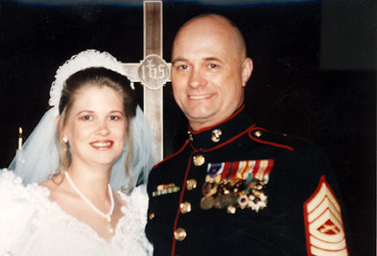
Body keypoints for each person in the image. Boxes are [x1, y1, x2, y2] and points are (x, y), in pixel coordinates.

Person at [145, 14, 352, 256]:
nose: (195, 81)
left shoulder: (296, 162)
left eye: (212, 65)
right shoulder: (163, 175)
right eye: (183, 66)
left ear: (245, 72)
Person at [0, 50, 155, 255]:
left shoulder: (140, 212)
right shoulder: (21, 207)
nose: (103, 129)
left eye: (113, 117)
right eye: (87, 117)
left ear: (127, 127)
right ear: (62, 128)